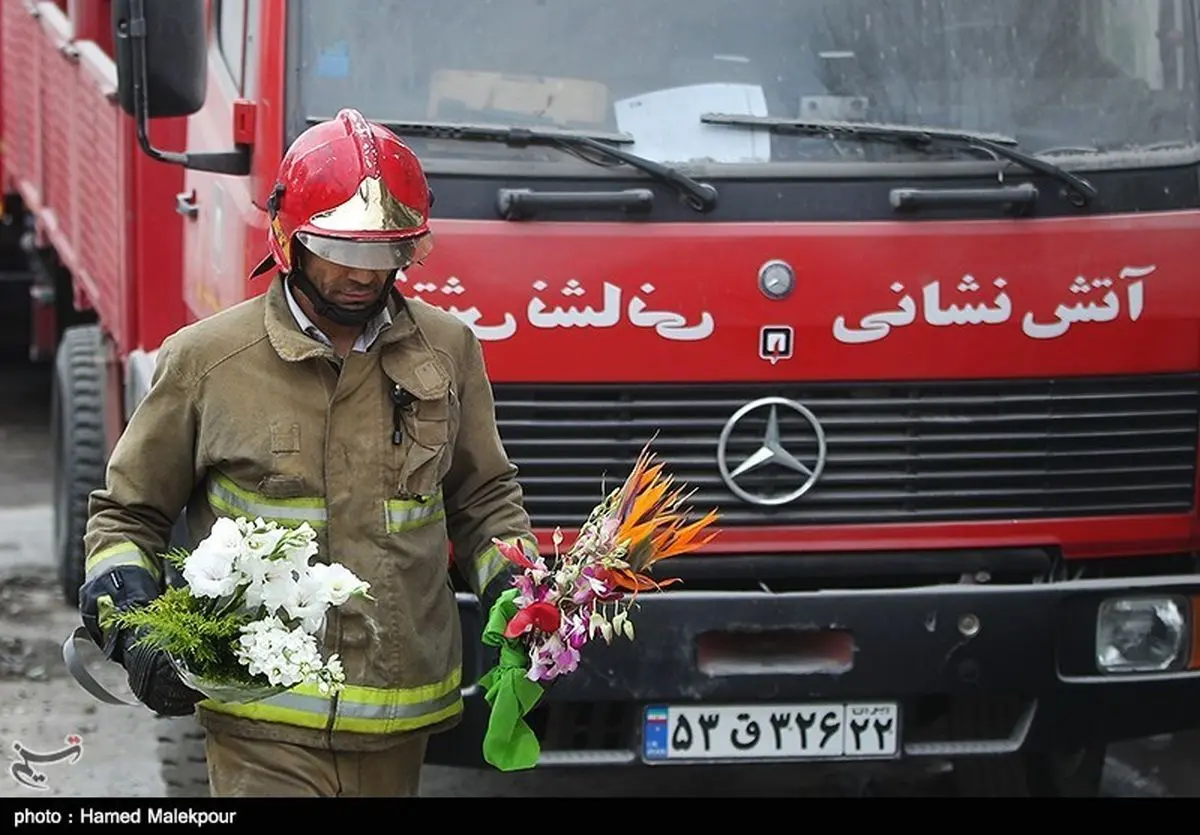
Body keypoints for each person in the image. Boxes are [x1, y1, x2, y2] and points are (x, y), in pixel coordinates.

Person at [75, 108, 536, 797]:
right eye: (343, 253)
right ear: (289, 240)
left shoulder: (448, 350)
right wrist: (133, 623)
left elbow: (482, 499)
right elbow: (124, 516)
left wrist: (518, 588)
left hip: (397, 717)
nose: (363, 275)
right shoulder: (208, 361)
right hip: (258, 721)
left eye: (384, 255)